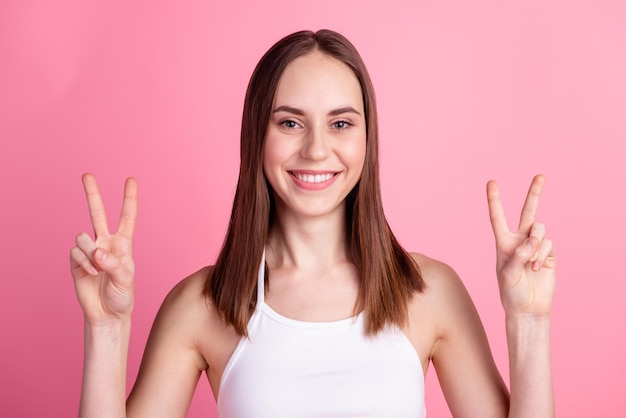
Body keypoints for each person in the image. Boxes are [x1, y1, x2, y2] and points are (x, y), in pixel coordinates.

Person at [70, 29, 556, 417]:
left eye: (341, 123)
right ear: (256, 137)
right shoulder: (201, 306)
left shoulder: (430, 292)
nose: (317, 149)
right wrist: (106, 329)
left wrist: (529, 321)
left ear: (368, 140)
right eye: (289, 123)